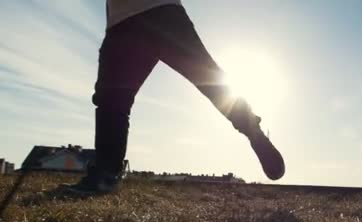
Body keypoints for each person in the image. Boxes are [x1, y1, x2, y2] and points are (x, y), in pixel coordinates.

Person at [67, 0, 285, 194]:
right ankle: (105, 175)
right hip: (130, 19)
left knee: (114, 102)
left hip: (151, 14)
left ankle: (105, 175)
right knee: (114, 100)